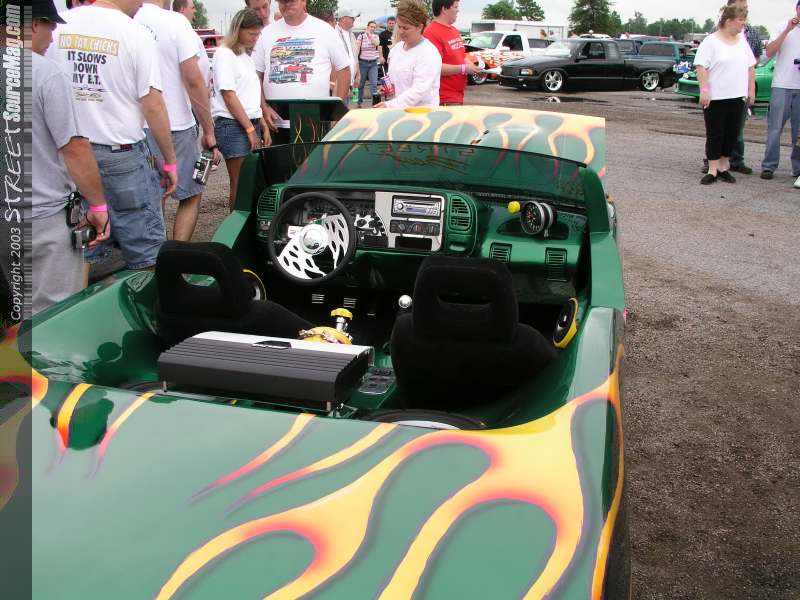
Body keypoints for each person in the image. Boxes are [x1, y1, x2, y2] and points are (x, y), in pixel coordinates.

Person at [46, 0, 176, 272]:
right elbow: (152, 104)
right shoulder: (135, 33)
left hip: (70, 155)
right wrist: (169, 161)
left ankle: (80, 300)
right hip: (121, 153)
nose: (142, 3)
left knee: (83, 247)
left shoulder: (59, 27)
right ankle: (148, 298)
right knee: (147, 251)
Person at [30, 0, 110, 314]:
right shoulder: (46, 74)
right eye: (50, 27)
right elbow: (74, 149)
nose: (51, 38)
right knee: (54, 316)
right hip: (42, 216)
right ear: (33, 24)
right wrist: (98, 207)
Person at [136, 0, 221, 241]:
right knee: (192, 193)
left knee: (153, 197)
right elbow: (193, 79)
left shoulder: (127, 20)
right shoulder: (174, 22)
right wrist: (209, 131)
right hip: (175, 123)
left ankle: (154, 254)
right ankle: (177, 253)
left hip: (134, 126)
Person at [212, 8, 271, 212]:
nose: (255, 38)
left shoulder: (245, 56)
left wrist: (262, 124)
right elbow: (229, 96)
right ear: (238, 30)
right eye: (252, 34)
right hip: (233, 125)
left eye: (258, 34)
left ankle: (246, 223)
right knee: (240, 183)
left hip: (249, 122)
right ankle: (236, 226)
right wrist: (250, 129)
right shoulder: (224, 54)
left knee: (251, 182)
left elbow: (249, 95)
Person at [253, 0, 351, 119]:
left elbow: (344, 69)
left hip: (315, 120)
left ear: (303, 1)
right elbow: (255, 75)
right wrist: (264, 107)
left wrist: (336, 113)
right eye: (282, 1)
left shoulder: (325, 30)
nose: (286, 4)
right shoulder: (266, 33)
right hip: (275, 121)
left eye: (291, 1)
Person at [695, 3, 756, 185]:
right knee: (715, 133)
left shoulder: (742, 42)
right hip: (716, 97)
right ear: (729, 21)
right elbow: (701, 66)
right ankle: (712, 169)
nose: (743, 24)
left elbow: (750, 66)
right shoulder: (711, 41)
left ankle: (723, 166)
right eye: (740, 20)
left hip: (737, 97)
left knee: (732, 133)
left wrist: (751, 90)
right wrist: (704, 90)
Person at [760, 1, 800, 183]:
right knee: (775, 128)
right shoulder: (781, 26)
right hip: (782, 84)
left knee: (798, 132)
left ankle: (798, 168)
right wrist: (787, 30)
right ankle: (769, 166)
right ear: (796, 8)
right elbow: (769, 52)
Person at [375, 0, 442, 109]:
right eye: (399, 26)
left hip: (422, 115)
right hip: (399, 113)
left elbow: (419, 91)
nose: (401, 31)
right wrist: (388, 88)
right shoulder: (396, 49)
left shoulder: (429, 53)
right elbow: (397, 81)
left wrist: (389, 105)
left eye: (405, 28)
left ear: (419, 27)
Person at [423, 0, 479, 106]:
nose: (458, 11)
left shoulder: (453, 30)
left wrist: (471, 66)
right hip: (443, 98)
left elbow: (460, 56)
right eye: (455, 7)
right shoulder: (431, 33)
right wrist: (463, 68)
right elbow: (434, 67)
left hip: (457, 96)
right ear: (444, 9)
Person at [173, 0, 211, 83]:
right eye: (192, 8)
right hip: (195, 88)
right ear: (182, 9)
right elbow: (191, 72)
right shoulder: (183, 32)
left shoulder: (183, 30)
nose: (195, 11)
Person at [356, 20, 384, 107]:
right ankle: (359, 102)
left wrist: (370, 35)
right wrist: (355, 61)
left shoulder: (376, 36)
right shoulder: (361, 36)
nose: (372, 28)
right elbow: (357, 49)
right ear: (367, 27)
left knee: (374, 84)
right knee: (361, 84)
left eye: (374, 27)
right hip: (363, 63)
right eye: (371, 27)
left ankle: (375, 104)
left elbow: (377, 43)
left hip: (373, 63)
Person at [336, 9, 360, 106]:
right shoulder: (334, 33)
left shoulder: (352, 35)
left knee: (345, 108)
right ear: (343, 19)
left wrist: (358, 74)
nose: (354, 20)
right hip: (339, 81)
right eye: (352, 18)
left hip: (350, 80)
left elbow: (355, 57)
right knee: (339, 109)